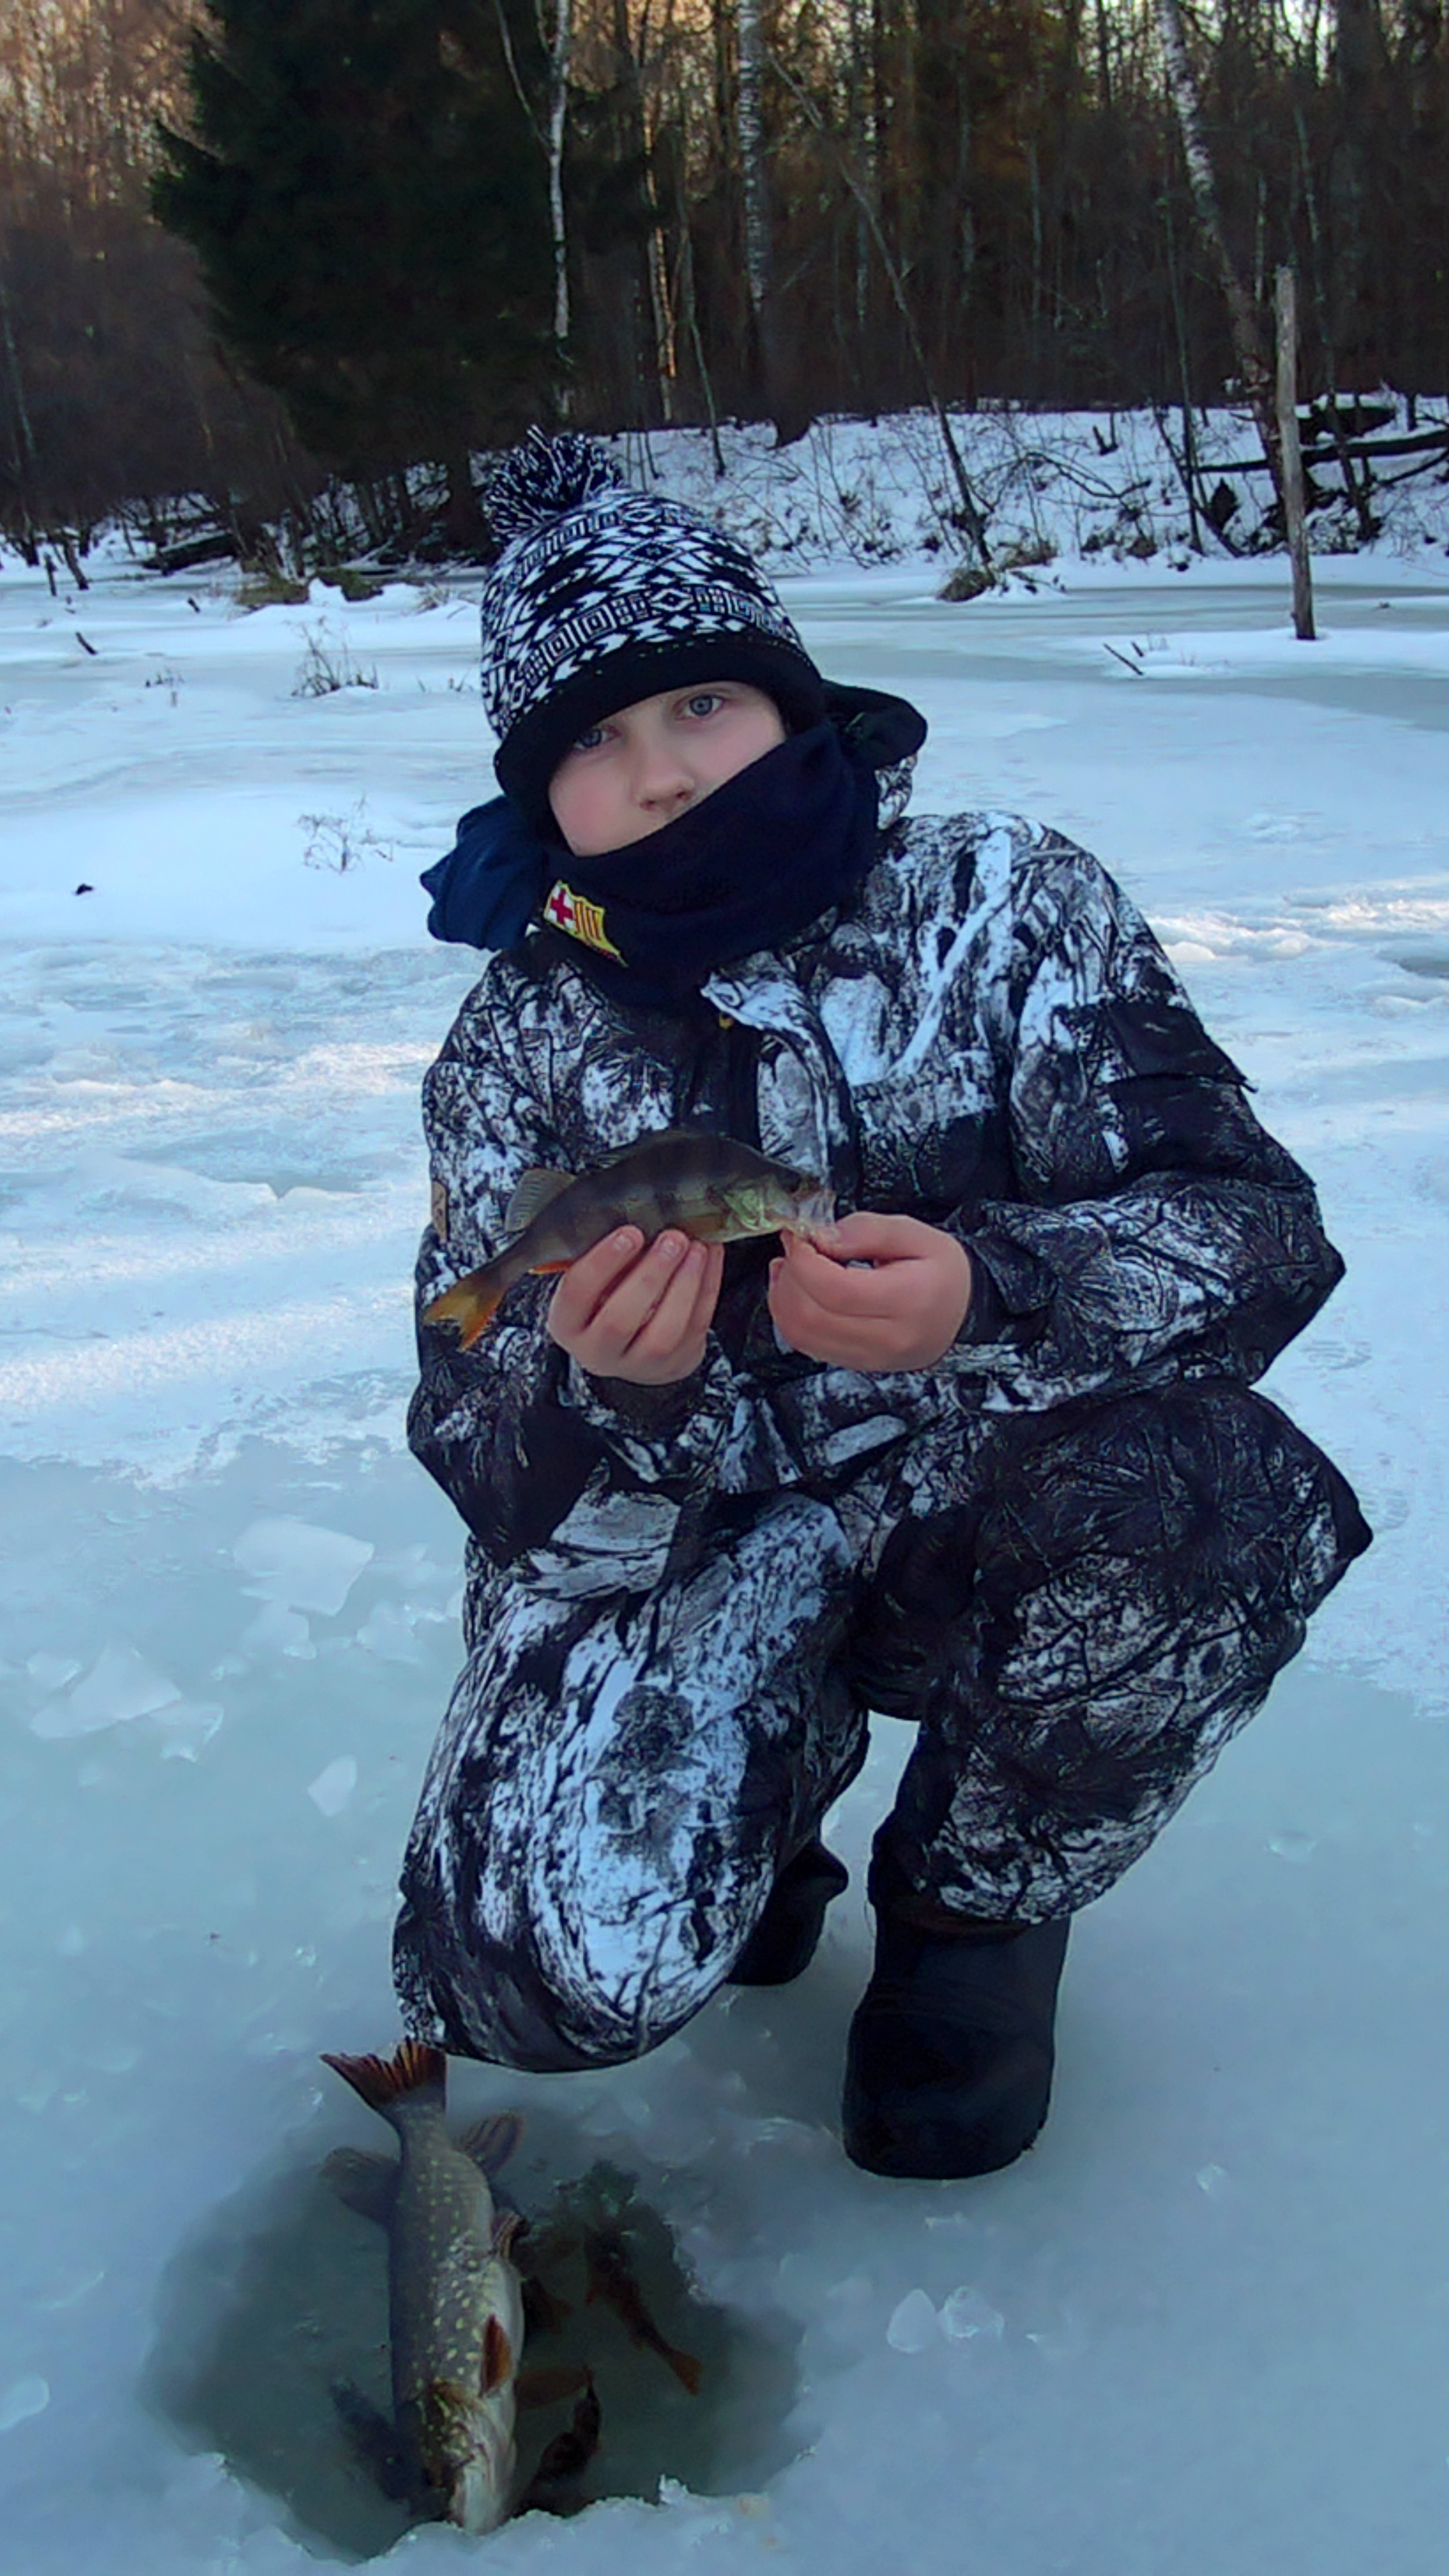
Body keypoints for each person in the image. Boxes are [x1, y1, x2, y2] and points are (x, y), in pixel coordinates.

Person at [396, 428, 1370, 2181]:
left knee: (1222, 1497)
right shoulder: (519, 1041)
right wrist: (609, 1393)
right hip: (690, 1551)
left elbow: (1258, 1236)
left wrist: (996, 1293)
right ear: (541, 806)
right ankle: (761, 1821)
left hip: (985, 1518)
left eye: (701, 706)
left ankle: (972, 1914)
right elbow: (476, 1445)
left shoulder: (1006, 906)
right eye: (598, 746)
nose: (667, 772)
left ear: (792, 701)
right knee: (530, 1984)